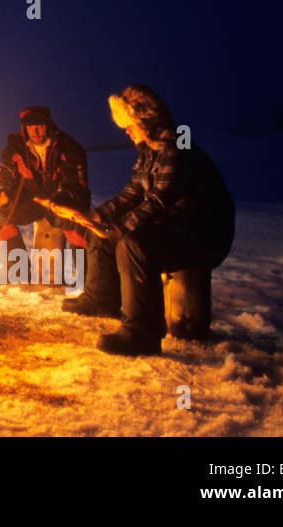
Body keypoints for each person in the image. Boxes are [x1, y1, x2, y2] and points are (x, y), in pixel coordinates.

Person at [57, 85, 235, 356]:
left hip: (203, 233)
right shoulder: (149, 151)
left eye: (130, 124)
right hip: (175, 225)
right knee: (98, 232)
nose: (127, 130)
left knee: (133, 244)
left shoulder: (178, 148)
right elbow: (133, 192)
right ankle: (101, 298)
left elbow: (159, 201)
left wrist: (116, 228)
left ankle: (142, 333)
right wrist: (96, 217)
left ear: (145, 120)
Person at [0, 105, 90, 283]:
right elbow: (6, 176)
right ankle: (18, 273)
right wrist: (3, 194)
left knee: (79, 224)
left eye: (40, 124)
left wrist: (57, 202)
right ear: (24, 128)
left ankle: (89, 281)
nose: (36, 130)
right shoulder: (15, 148)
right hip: (32, 203)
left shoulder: (69, 147)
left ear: (48, 125)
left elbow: (76, 186)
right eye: (31, 126)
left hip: (62, 203)